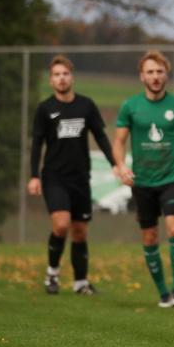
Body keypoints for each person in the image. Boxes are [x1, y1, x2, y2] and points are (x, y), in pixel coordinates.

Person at [112, 51, 174, 308]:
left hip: (170, 178)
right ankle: (162, 292)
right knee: (150, 237)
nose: (155, 76)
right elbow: (118, 142)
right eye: (150, 72)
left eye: (159, 71)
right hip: (142, 182)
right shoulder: (130, 107)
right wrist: (120, 165)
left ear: (166, 74)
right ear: (142, 76)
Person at [29, 55, 116, 295]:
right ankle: (52, 274)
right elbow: (37, 144)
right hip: (54, 177)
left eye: (65, 74)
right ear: (51, 80)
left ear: (72, 77)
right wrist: (33, 176)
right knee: (61, 225)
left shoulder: (86, 106)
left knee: (80, 230)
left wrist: (115, 164)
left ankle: (80, 283)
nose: (61, 78)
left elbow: (100, 137)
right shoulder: (45, 109)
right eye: (56, 75)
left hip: (80, 178)